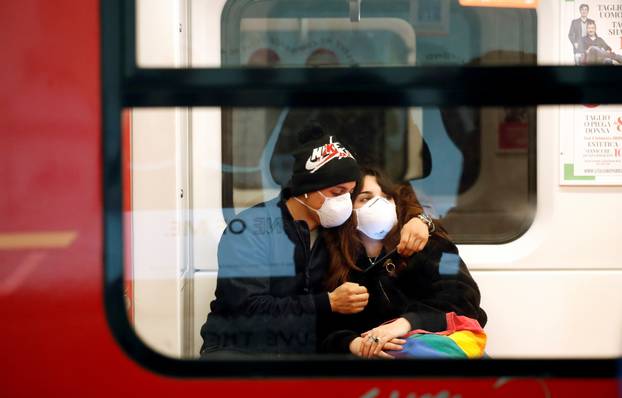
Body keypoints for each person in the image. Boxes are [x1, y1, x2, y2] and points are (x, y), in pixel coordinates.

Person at [200, 125, 434, 355]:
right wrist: (327, 303)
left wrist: (420, 219)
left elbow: (389, 216)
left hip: (302, 352)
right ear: (307, 189)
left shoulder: (336, 231)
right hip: (238, 349)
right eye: (336, 193)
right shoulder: (251, 229)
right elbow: (248, 310)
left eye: (350, 193)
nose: (344, 202)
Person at [319, 167, 487, 358]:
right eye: (365, 198)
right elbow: (323, 327)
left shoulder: (428, 244)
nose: (379, 204)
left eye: (387, 197)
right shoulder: (334, 260)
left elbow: (464, 298)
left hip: (438, 346)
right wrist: (352, 343)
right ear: (348, 209)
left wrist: (405, 323)